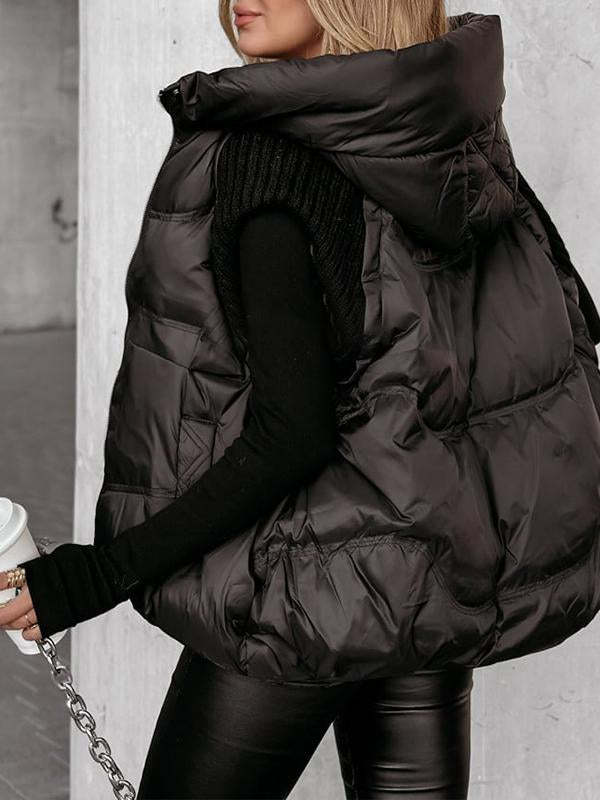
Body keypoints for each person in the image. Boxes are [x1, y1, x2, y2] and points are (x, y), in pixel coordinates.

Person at [3, 2, 600, 798]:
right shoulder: (452, 132)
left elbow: (291, 435)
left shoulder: (270, 154)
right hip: (431, 580)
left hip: (306, 591)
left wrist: (92, 578)